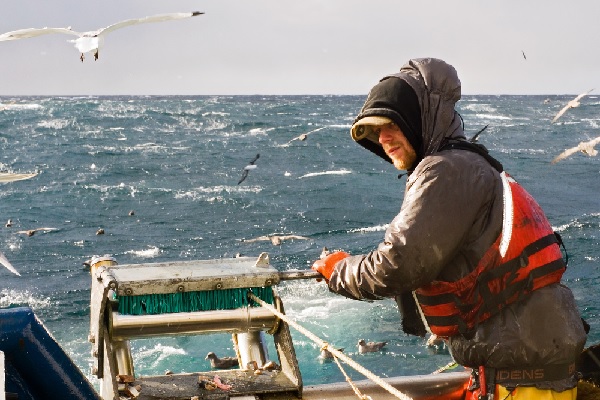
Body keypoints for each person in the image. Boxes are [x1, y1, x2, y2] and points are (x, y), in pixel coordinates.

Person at [311, 58, 587, 399]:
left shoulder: (447, 171)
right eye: (374, 132)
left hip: (519, 381)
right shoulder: (468, 163)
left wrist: (337, 269)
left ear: (416, 121)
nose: (382, 138)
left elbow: (398, 265)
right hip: (527, 370)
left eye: (390, 125)